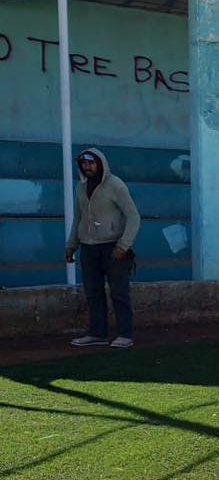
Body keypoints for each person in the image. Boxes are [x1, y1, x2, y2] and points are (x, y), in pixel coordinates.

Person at [65, 148, 140, 349]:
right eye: (84, 163)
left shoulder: (115, 185)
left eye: (91, 162)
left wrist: (124, 245)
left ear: (100, 163)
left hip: (113, 247)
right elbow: (78, 218)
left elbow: (134, 216)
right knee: (93, 292)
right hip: (88, 247)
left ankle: (125, 334)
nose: (87, 167)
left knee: (119, 292)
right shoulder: (81, 187)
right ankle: (97, 333)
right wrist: (71, 245)